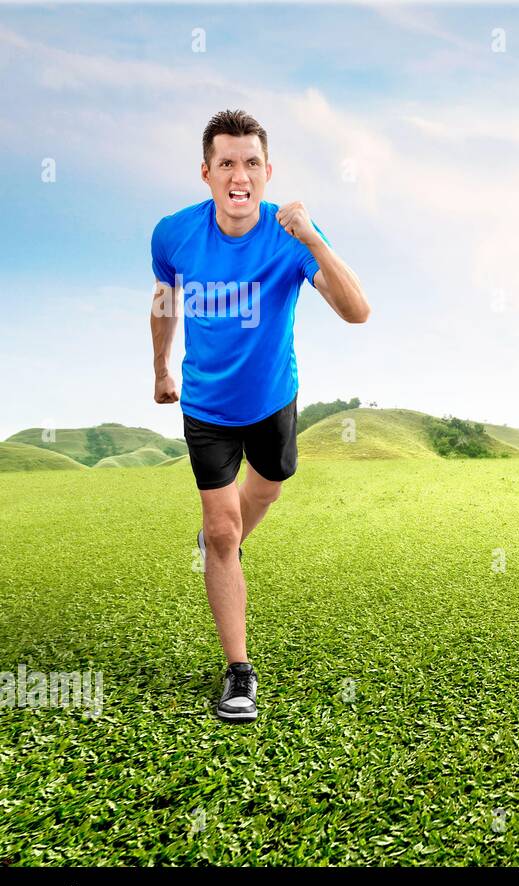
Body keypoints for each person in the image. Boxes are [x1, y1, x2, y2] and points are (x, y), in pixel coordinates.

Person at [149, 109, 371, 722]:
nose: (238, 175)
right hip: (206, 406)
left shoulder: (290, 235)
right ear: (206, 172)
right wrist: (161, 368)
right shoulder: (173, 235)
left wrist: (314, 238)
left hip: (273, 400)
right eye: (226, 163)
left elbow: (357, 312)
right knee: (222, 531)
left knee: (268, 488)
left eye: (250, 163)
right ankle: (239, 673)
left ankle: (221, 542)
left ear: (267, 172)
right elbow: (164, 300)